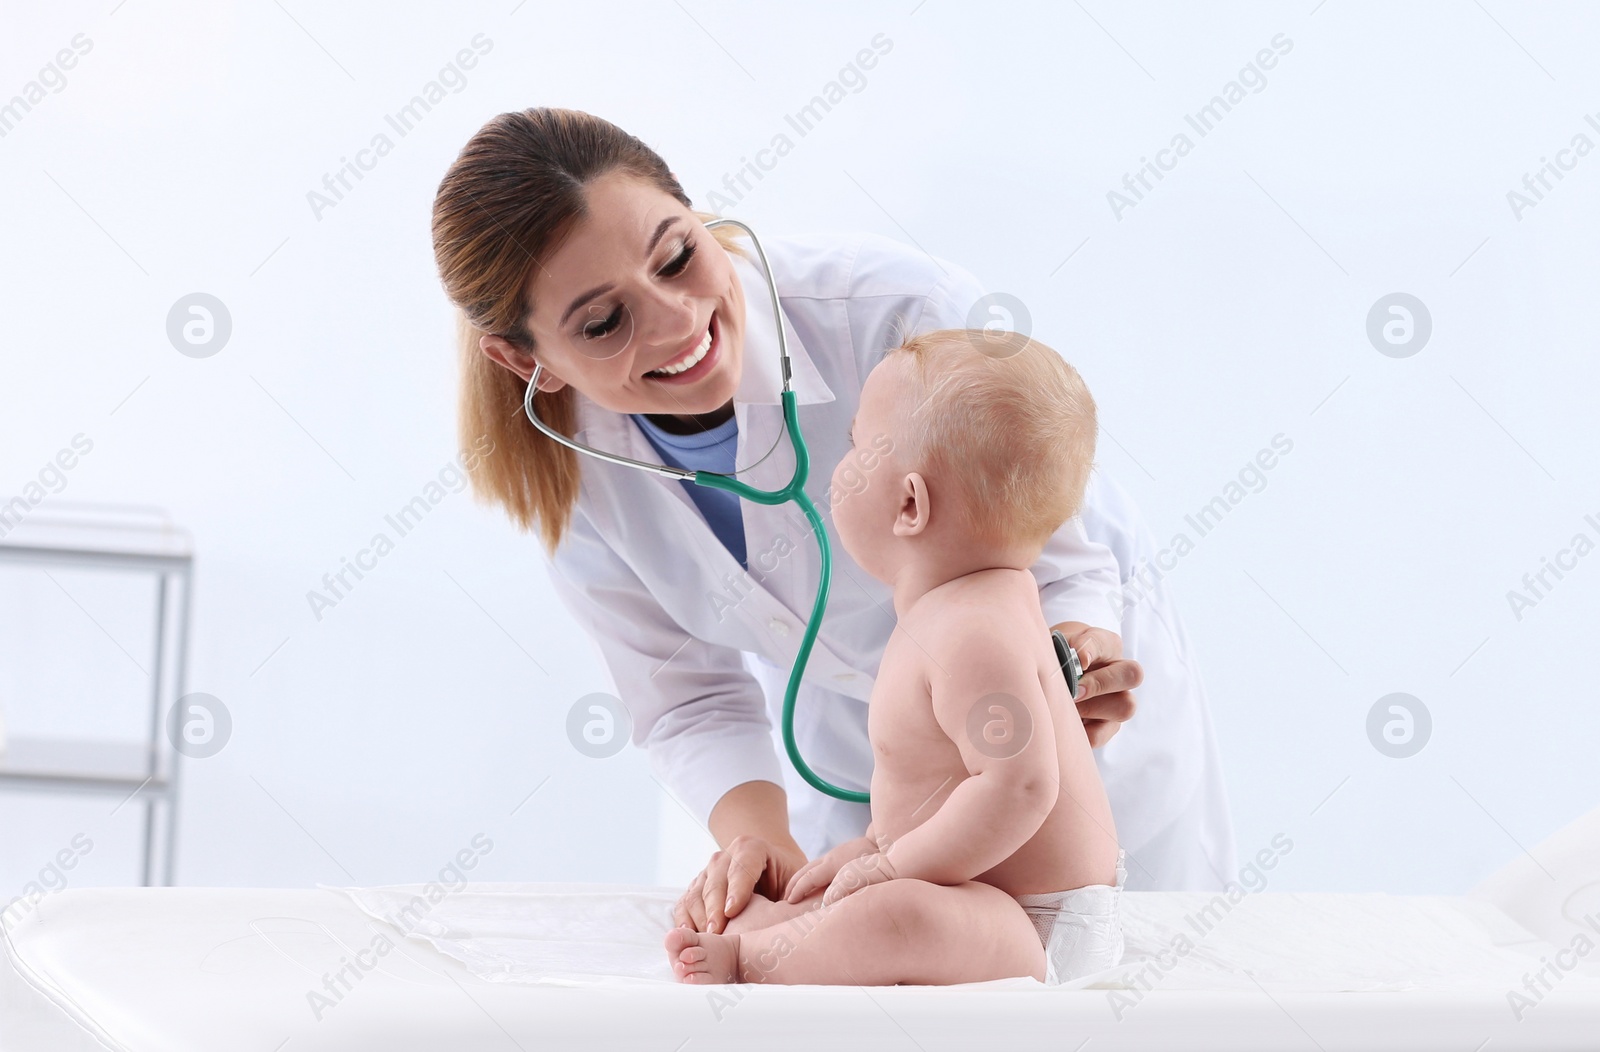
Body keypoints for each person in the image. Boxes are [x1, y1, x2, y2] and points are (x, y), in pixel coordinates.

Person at [429, 108, 1236, 933]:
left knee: (1129, 994)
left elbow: (1059, 549)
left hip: (1069, 766)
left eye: (677, 256)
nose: (677, 322)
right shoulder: (571, 475)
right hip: (871, 777)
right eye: (603, 322)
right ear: (523, 360)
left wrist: (1072, 653)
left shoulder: (891, 312)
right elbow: (687, 698)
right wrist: (759, 839)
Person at [666, 328, 1125, 986]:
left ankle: (753, 964)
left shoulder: (976, 631)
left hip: (1037, 925)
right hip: (981, 898)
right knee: (834, 899)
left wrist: (891, 867)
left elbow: (1019, 785)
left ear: (910, 503)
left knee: (900, 915)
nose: (839, 462)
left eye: (857, 444)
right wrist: (870, 849)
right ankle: (785, 935)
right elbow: (932, 791)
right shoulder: (962, 608)